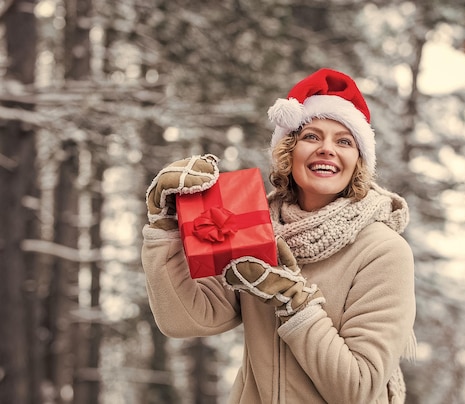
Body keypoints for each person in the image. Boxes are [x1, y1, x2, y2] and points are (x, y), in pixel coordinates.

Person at [142, 68, 417, 404]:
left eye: (344, 141)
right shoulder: (252, 229)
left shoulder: (383, 251)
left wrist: (295, 303)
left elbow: (357, 388)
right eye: (312, 136)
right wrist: (167, 227)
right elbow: (183, 320)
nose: (327, 149)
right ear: (289, 152)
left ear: (358, 162)